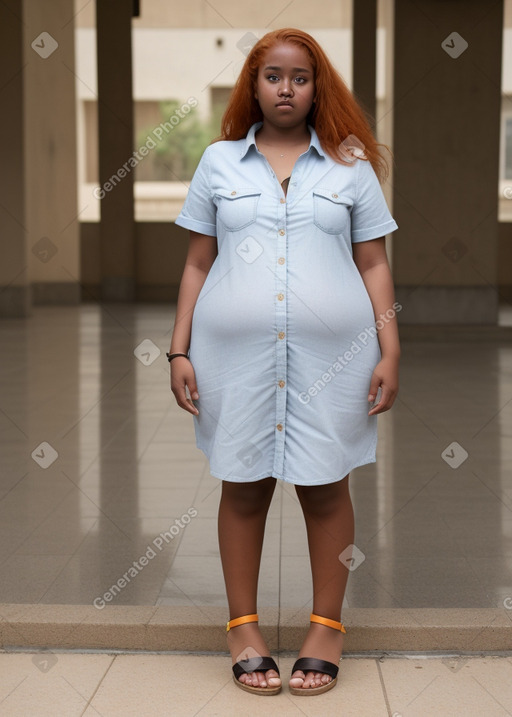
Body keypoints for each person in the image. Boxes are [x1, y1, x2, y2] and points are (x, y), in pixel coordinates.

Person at [169, 27, 400, 696]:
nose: (286, 88)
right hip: (230, 359)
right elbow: (195, 261)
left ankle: (326, 627)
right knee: (242, 485)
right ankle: (243, 628)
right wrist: (179, 347)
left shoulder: (351, 167)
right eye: (273, 76)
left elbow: (373, 263)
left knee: (327, 485)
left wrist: (390, 346)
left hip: (337, 360)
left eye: (300, 77)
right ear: (253, 84)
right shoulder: (218, 163)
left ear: (316, 86)